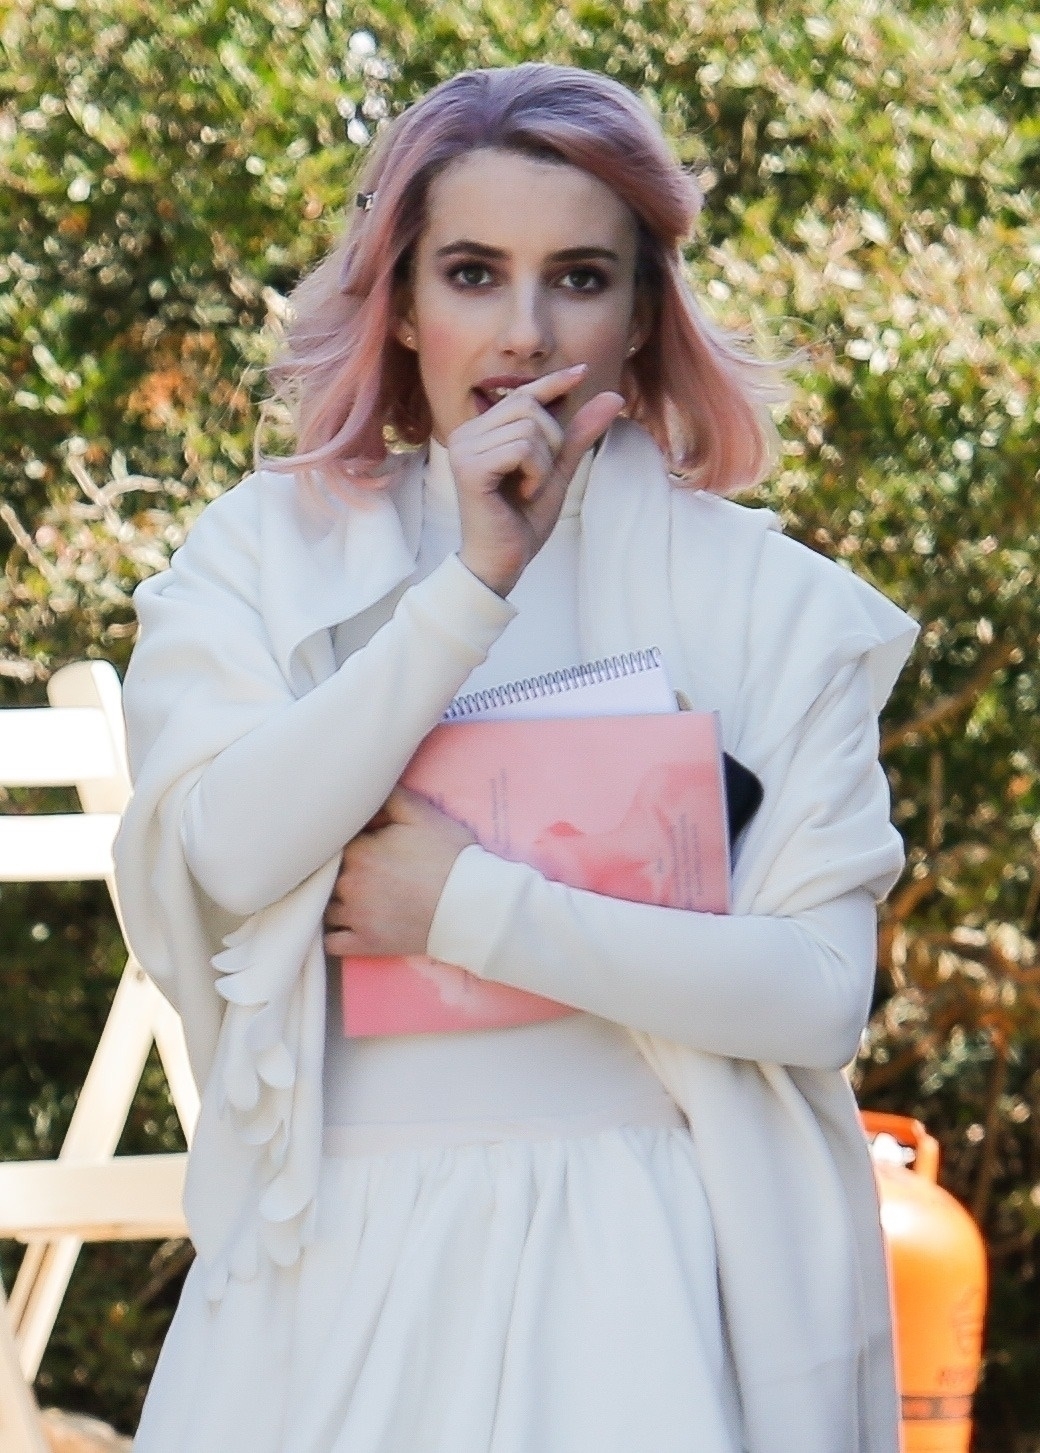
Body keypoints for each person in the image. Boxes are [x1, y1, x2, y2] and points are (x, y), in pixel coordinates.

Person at [114, 62, 918, 1453]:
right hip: (334, 1267)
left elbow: (816, 994)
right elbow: (229, 853)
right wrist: (471, 588)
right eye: (474, 273)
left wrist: (470, 907)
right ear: (401, 299)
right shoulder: (259, 557)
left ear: (645, 311)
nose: (525, 331)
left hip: (647, 1262)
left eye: (581, 278)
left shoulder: (773, 607)